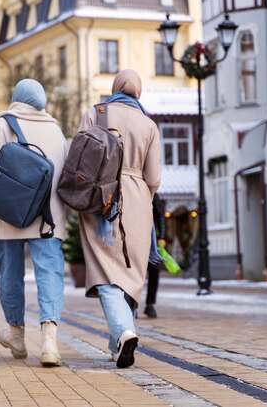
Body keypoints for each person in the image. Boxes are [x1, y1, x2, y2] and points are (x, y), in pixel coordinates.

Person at [0, 79, 69, 367]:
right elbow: (64, 176)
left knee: (9, 274)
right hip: (48, 219)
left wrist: (9, 194)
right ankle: (50, 340)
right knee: (49, 273)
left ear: (17, 98)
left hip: (9, 214)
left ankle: (16, 333)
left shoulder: (3, 125)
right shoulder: (56, 130)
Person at [78, 69, 161, 368]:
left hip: (100, 197)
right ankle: (119, 340)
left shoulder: (94, 113)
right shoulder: (149, 124)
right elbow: (154, 177)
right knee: (130, 270)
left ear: (115, 87)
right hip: (137, 199)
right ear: (137, 91)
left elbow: (79, 159)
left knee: (105, 271)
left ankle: (123, 332)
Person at [143, 194, 166, 318]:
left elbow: (160, 216)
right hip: (133, 238)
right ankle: (132, 305)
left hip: (152, 240)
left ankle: (150, 304)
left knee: (154, 270)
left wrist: (162, 236)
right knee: (134, 273)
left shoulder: (152, 194)